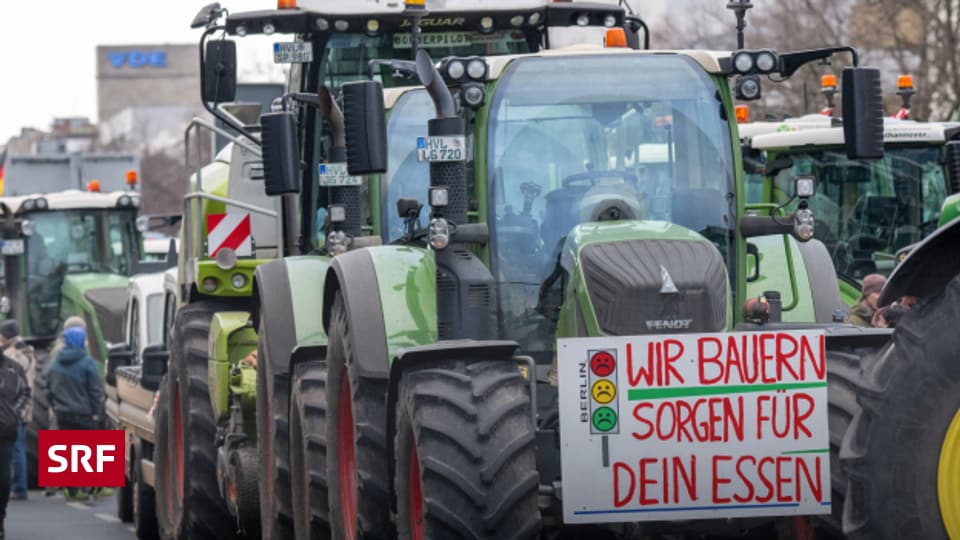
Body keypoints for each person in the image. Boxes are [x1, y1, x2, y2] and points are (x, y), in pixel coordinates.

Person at [46, 325, 102, 502]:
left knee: (69, 449)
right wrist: (96, 412)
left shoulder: (55, 362)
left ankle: (72, 489)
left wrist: (55, 407)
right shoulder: (87, 362)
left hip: (62, 413)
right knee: (88, 449)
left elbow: (49, 389)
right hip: (84, 413)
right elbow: (95, 390)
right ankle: (88, 488)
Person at [0, 341, 31, 538]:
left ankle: (0, 515)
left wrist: (15, 413)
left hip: (5, 430)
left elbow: (25, 393)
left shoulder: (13, 367)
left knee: (3, 479)